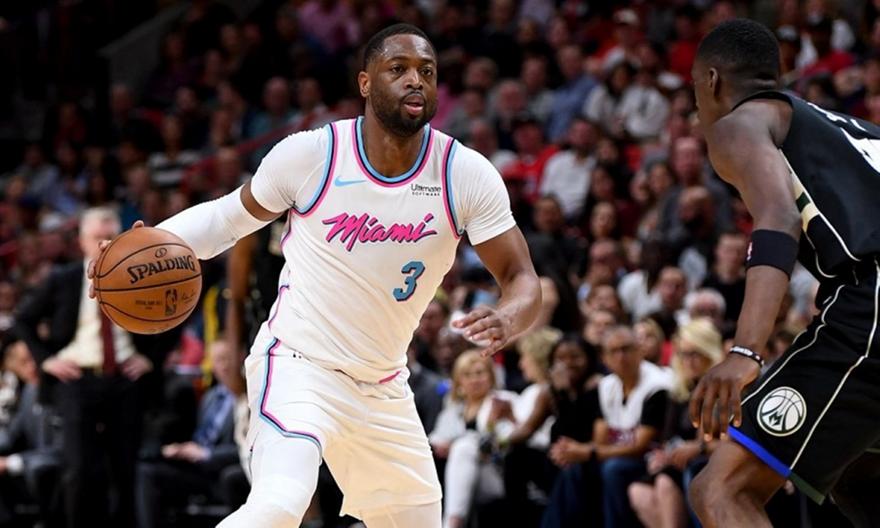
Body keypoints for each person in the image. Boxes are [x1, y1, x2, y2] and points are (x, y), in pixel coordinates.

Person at [90, 24, 541, 528]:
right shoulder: (313, 154)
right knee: (281, 503)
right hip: (299, 365)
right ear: (365, 82)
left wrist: (508, 316)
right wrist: (146, 245)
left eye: (427, 71)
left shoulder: (465, 174)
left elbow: (522, 278)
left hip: (383, 382)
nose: (416, 80)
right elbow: (226, 219)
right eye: (399, 69)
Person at [687, 19, 880, 528]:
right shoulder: (854, 130)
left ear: (711, 81)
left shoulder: (739, 123)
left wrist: (745, 352)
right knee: (857, 474)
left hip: (872, 304)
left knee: (721, 491)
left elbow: (778, 217)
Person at [14, 207, 180, 527]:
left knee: (126, 467)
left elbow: (175, 313)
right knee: (79, 469)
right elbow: (23, 320)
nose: (104, 244)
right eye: (96, 237)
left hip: (125, 379)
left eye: (111, 237)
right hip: (77, 379)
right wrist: (47, 359)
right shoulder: (63, 279)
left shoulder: (142, 275)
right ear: (81, 241)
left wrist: (150, 358)